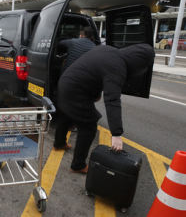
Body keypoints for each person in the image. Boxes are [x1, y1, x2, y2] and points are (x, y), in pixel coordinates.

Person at [53, 43, 155, 173]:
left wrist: (95, 94)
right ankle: (78, 165)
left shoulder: (108, 49)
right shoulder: (118, 67)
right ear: (138, 64)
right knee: (88, 126)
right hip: (76, 91)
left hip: (66, 83)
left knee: (67, 113)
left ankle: (59, 143)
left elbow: (93, 72)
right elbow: (112, 100)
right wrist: (116, 134)